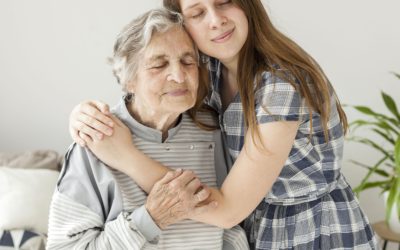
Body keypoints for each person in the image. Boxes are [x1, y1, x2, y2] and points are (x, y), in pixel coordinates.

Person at [69, 0, 378, 249]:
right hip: (259, 226)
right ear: (184, 25)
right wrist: (86, 116)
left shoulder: (280, 87)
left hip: (314, 230)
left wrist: (125, 157)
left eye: (225, 2)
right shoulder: (211, 71)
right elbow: (147, 91)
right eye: (198, 12)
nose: (215, 20)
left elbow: (229, 208)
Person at [47, 8, 249, 250]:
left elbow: (231, 231)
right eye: (159, 65)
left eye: (187, 61)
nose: (179, 75)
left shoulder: (214, 130)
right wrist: (149, 219)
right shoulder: (95, 138)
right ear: (128, 79)